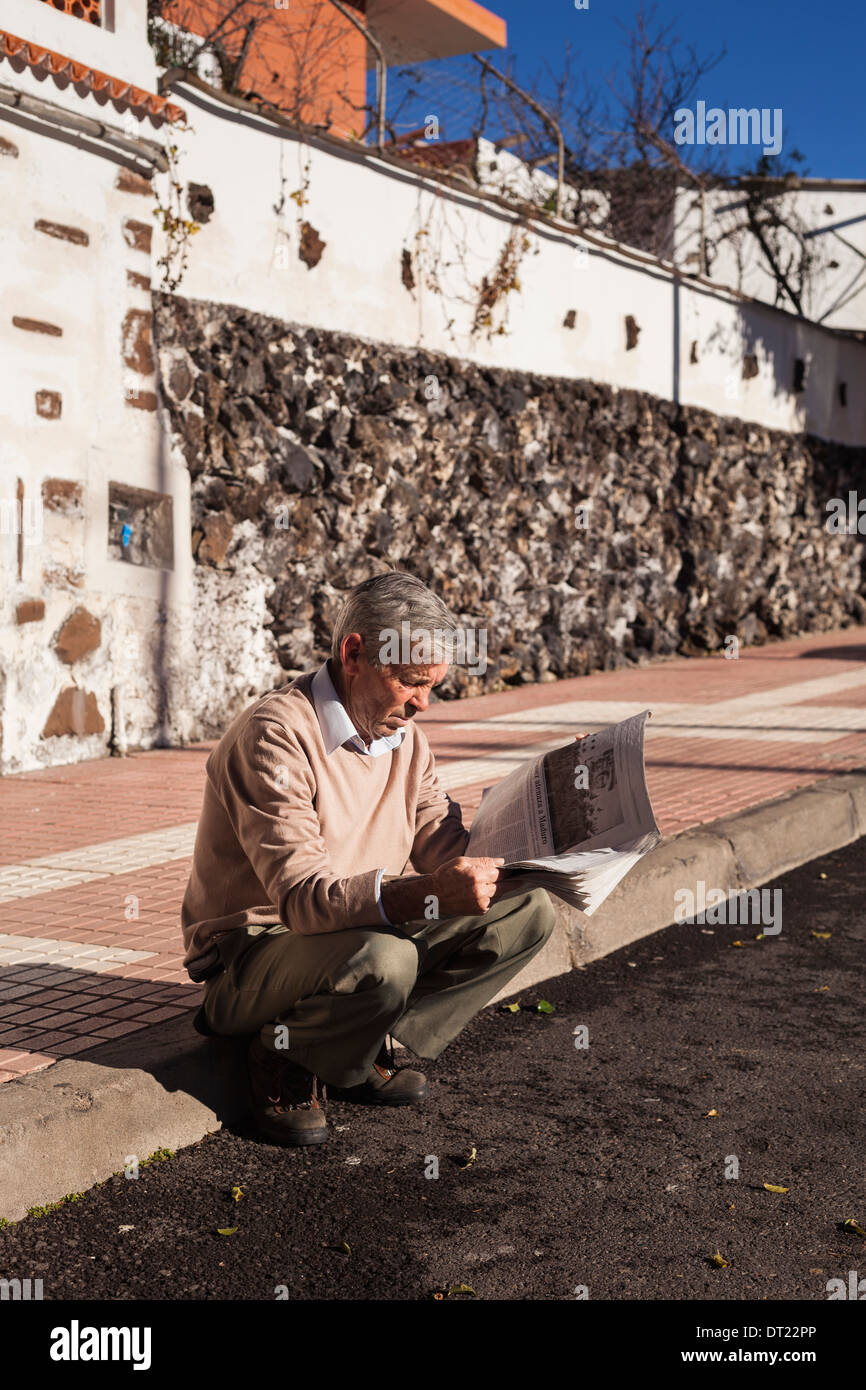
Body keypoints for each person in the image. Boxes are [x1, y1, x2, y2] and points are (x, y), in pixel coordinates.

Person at [181, 571, 555, 1146]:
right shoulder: (274, 736)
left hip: (349, 939)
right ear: (354, 654)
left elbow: (448, 850)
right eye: (410, 681)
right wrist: (424, 894)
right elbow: (305, 901)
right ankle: (284, 1057)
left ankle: (353, 1043)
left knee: (525, 910)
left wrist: (551, 811)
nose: (423, 703)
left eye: (432, 685)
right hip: (254, 956)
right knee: (386, 959)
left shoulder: (404, 738)